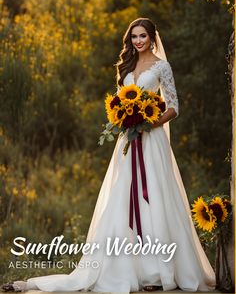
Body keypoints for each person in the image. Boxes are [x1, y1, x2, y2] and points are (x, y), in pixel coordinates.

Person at [2, 18, 216, 293]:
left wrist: (150, 122)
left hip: (152, 141)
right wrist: (124, 119)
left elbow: (173, 106)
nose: (138, 41)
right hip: (128, 142)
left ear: (152, 38)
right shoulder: (126, 66)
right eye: (134, 37)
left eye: (143, 36)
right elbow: (119, 101)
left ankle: (156, 273)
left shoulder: (162, 66)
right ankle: (128, 269)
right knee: (123, 197)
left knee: (155, 198)